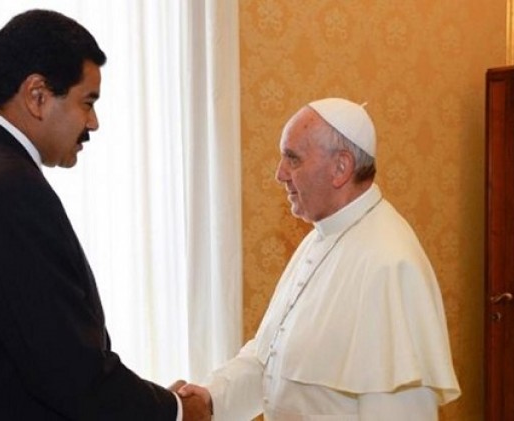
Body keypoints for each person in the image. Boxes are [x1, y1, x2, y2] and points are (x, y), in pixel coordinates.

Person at [0, 9, 210, 421]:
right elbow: (70, 371)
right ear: (37, 95)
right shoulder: (9, 189)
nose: (93, 123)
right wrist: (176, 411)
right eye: (87, 102)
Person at [179, 98, 461, 420]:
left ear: (340, 167)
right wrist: (211, 397)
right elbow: (270, 355)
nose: (280, 174)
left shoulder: (390, 263)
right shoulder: (320, 237)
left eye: (293, 159)